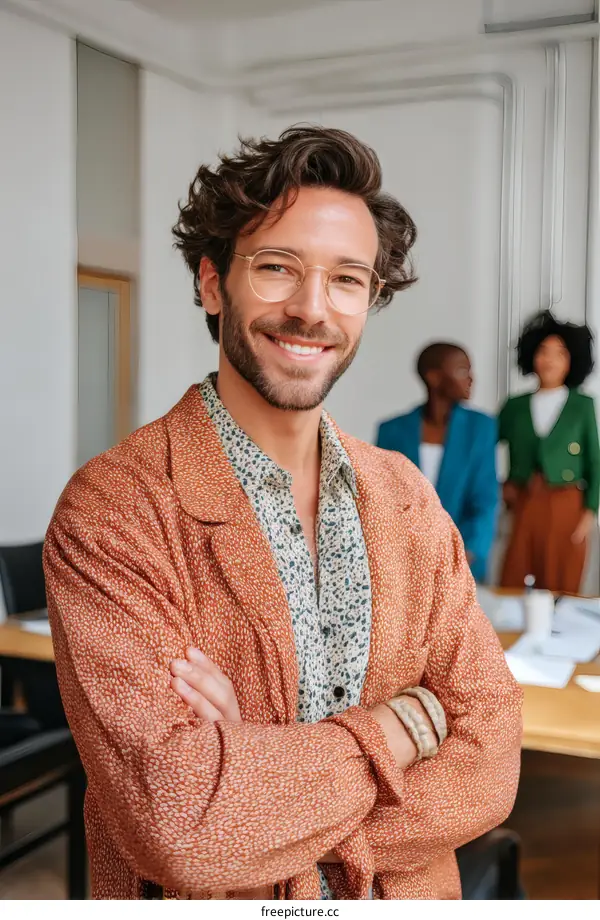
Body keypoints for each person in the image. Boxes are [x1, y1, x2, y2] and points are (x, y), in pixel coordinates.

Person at [44, 126, 522, 901]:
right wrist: (401, 728)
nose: (311, 309)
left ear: (370, 299)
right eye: (276, 268)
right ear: (210, 283)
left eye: (346, 280)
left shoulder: (406, 494)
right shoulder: (114, 509)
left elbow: (492, 755)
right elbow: (185, 824)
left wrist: (256, 771)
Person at [376, 343, 498, 583]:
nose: (471, 379)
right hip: (404, 563)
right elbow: (383, 501)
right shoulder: (392, 431)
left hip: (463, 562)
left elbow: (485, 498)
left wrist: (465, 554)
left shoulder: (480, 428)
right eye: (463, 371)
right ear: (434, 378)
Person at [499, 310, 600, 593]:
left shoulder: (582, 405)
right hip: (525, 498)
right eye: (543, 351)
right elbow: (485, 448)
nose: (550, 360)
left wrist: (589, 512)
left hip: (567, 500)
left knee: (562, 577)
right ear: (532, 355)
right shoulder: (515, 406)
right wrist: (500, 486)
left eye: (560, 353)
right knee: (516, 573)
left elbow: (595, 460)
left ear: (573, 360)